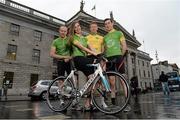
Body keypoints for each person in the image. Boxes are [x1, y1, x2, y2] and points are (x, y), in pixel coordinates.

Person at [68, 20, 98, 111]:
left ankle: (87, 104)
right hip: (78, 59)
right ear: (73, 30)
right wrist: (92, 53)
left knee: (92, 79)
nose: (77, 28)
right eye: (75, 27)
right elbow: (82, 47)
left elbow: (91, 47)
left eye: (78, 26)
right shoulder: (72, 37)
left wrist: (99, 54)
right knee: (93, 60)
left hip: (84, 60)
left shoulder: (85, 38)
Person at [103, 18, 127, 105]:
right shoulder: (105, 37)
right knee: (112, 82)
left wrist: (122, 56)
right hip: (109, 59)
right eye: (105, 24)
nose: (107, 25)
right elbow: (103, 50)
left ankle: (126, 103)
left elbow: (124, 46)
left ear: (112, 23)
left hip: (118, 57)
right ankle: (113, 103)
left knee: (122, 80)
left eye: (108, 23)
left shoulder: (119, 33)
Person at [50, 26, 71, 105]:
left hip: (69, 62)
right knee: (60, 80)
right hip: (60, 62)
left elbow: (73, 51)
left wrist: (68, 57)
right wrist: (64, 57)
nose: (63, 32)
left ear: (67, 32)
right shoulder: (55, 41)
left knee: (73, 78)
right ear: (59, 31)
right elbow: (52, 54)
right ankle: (61, 99)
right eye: (62, 31)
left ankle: (74, 99)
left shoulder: (69, 40)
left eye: (65, 31)